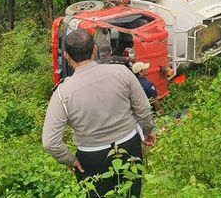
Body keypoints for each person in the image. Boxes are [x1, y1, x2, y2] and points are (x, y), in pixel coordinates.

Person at [42, 29, 156, 197]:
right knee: (132, 193)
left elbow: (50, 142)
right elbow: (143, 109)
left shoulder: (62, 93)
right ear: (95, 49)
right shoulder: (122, 72)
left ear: (67, 56)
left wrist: (70, 160)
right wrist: (148, 131)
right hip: (129, 146)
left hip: (91, 157)